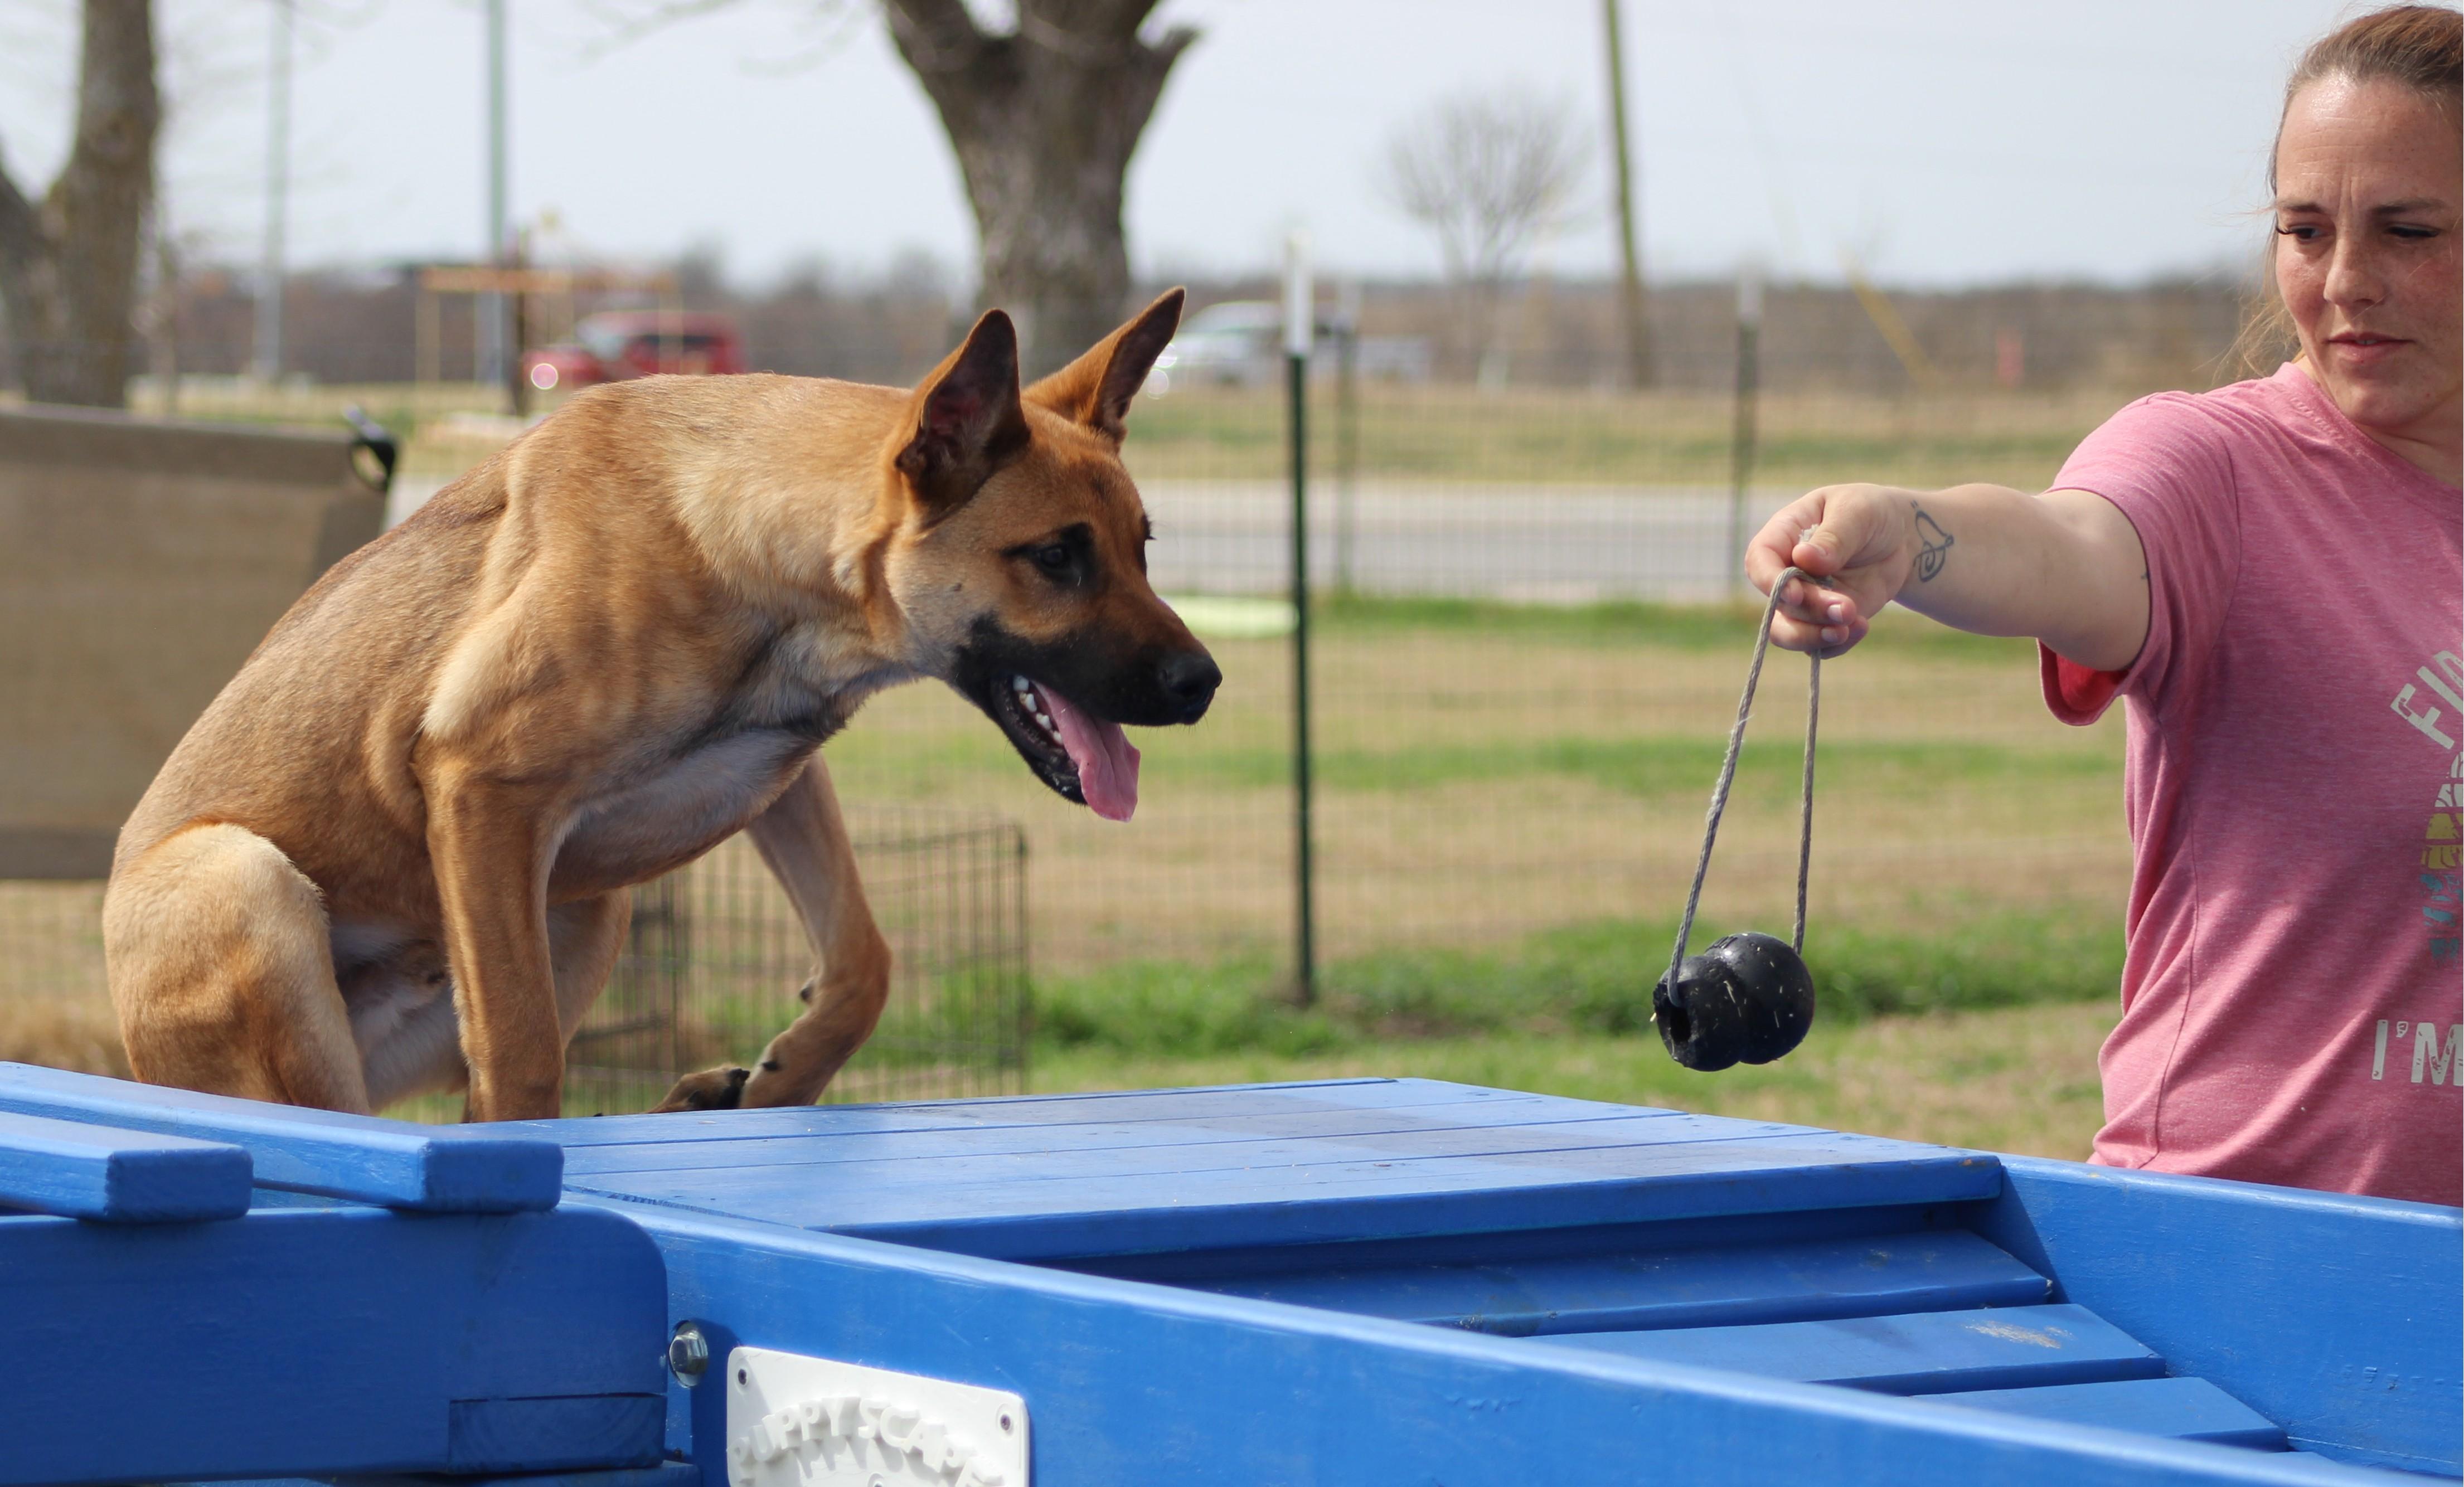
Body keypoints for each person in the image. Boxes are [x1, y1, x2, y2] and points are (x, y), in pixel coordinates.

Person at [1744, 4, 2462, 1207]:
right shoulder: (2214, 474)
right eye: (2302, 228)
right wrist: (1905, 536)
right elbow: (2067, 546)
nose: (2343, 280)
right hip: (2237, 1265)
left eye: (2407, 230)